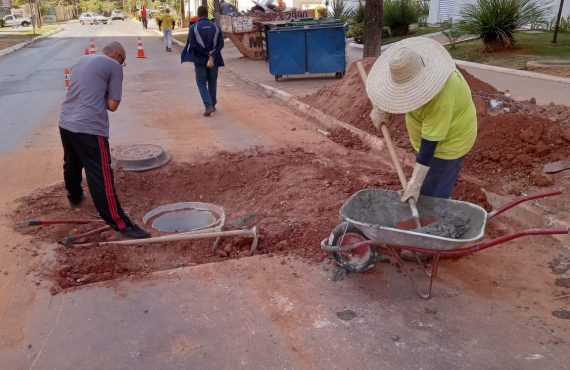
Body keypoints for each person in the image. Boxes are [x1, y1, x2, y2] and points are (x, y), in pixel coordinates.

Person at [366, 37, 477, 202]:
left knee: (433, 194)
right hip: (434, 133)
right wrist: (379, 108)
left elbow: (429, 148)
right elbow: (396, 93)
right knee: (426, 178)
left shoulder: (441, 100)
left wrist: (415, 184)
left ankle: (430, 219)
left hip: (451, 143)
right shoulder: (414, 67)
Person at [58, 42, 151, 239]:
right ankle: (121, 223)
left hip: (66, 122)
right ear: (117, 55)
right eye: (123, 61)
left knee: (72, 163)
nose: (121, 65)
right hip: (90, 127)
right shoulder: (114, 66)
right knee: (101, 174)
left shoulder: (80, 60)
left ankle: (74, 197)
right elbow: (112, 105)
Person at [181, 6, 224, 117]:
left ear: (198, 14)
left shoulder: (193, 28)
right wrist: (212, 54)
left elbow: (193, 44)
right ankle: (213, 105)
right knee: (212, 82)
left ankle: (208, 105)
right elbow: (221, 44)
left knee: (201, 83)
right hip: (214, 59)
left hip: (200, 60)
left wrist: (205, 54)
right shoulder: (216, 27)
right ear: (207, 14)